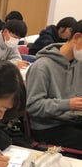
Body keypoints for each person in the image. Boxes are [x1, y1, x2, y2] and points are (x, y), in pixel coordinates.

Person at [26, 20, 82, 149]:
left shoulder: (78, 64)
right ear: (77, 37)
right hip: (47, 127)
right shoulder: (42, 66)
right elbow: (33, 106)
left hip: (71, 119)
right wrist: (68, 104)